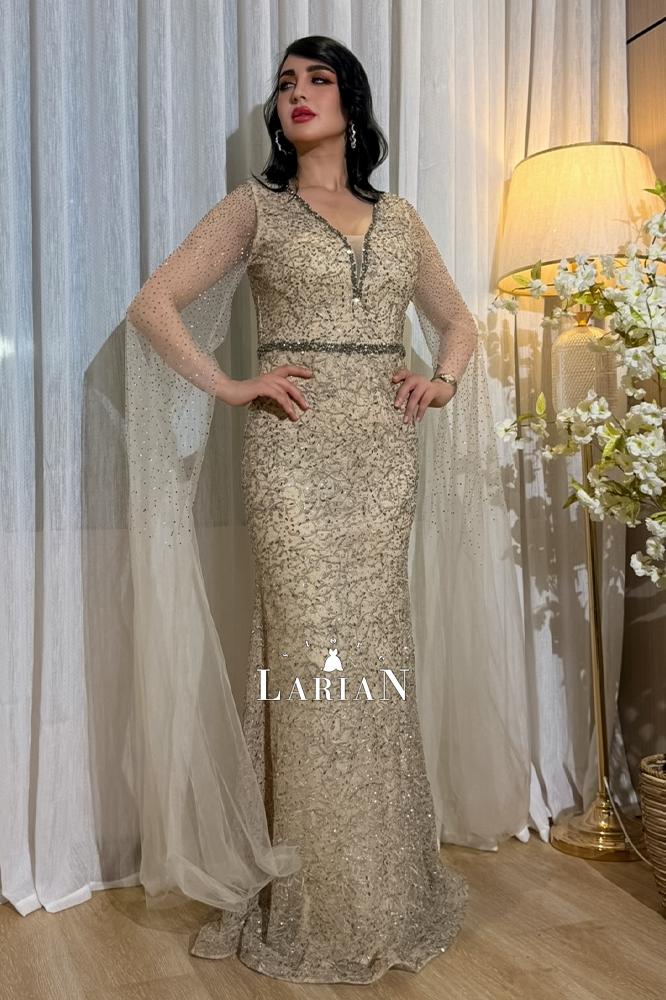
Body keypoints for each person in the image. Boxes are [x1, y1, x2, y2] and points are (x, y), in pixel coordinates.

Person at [125, 34, 477, 986]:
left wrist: (442, 380)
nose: (298, 93)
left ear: (351, 102)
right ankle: (312, 892)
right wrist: (232, 386)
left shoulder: (399, 218)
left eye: (319, 79)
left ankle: (385, 885)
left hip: (383, 460)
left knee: (375, 652)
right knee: (308, 654)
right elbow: (154, 305)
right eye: (286, 83)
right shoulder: (255, 207)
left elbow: (457, 319)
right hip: (292, 457)